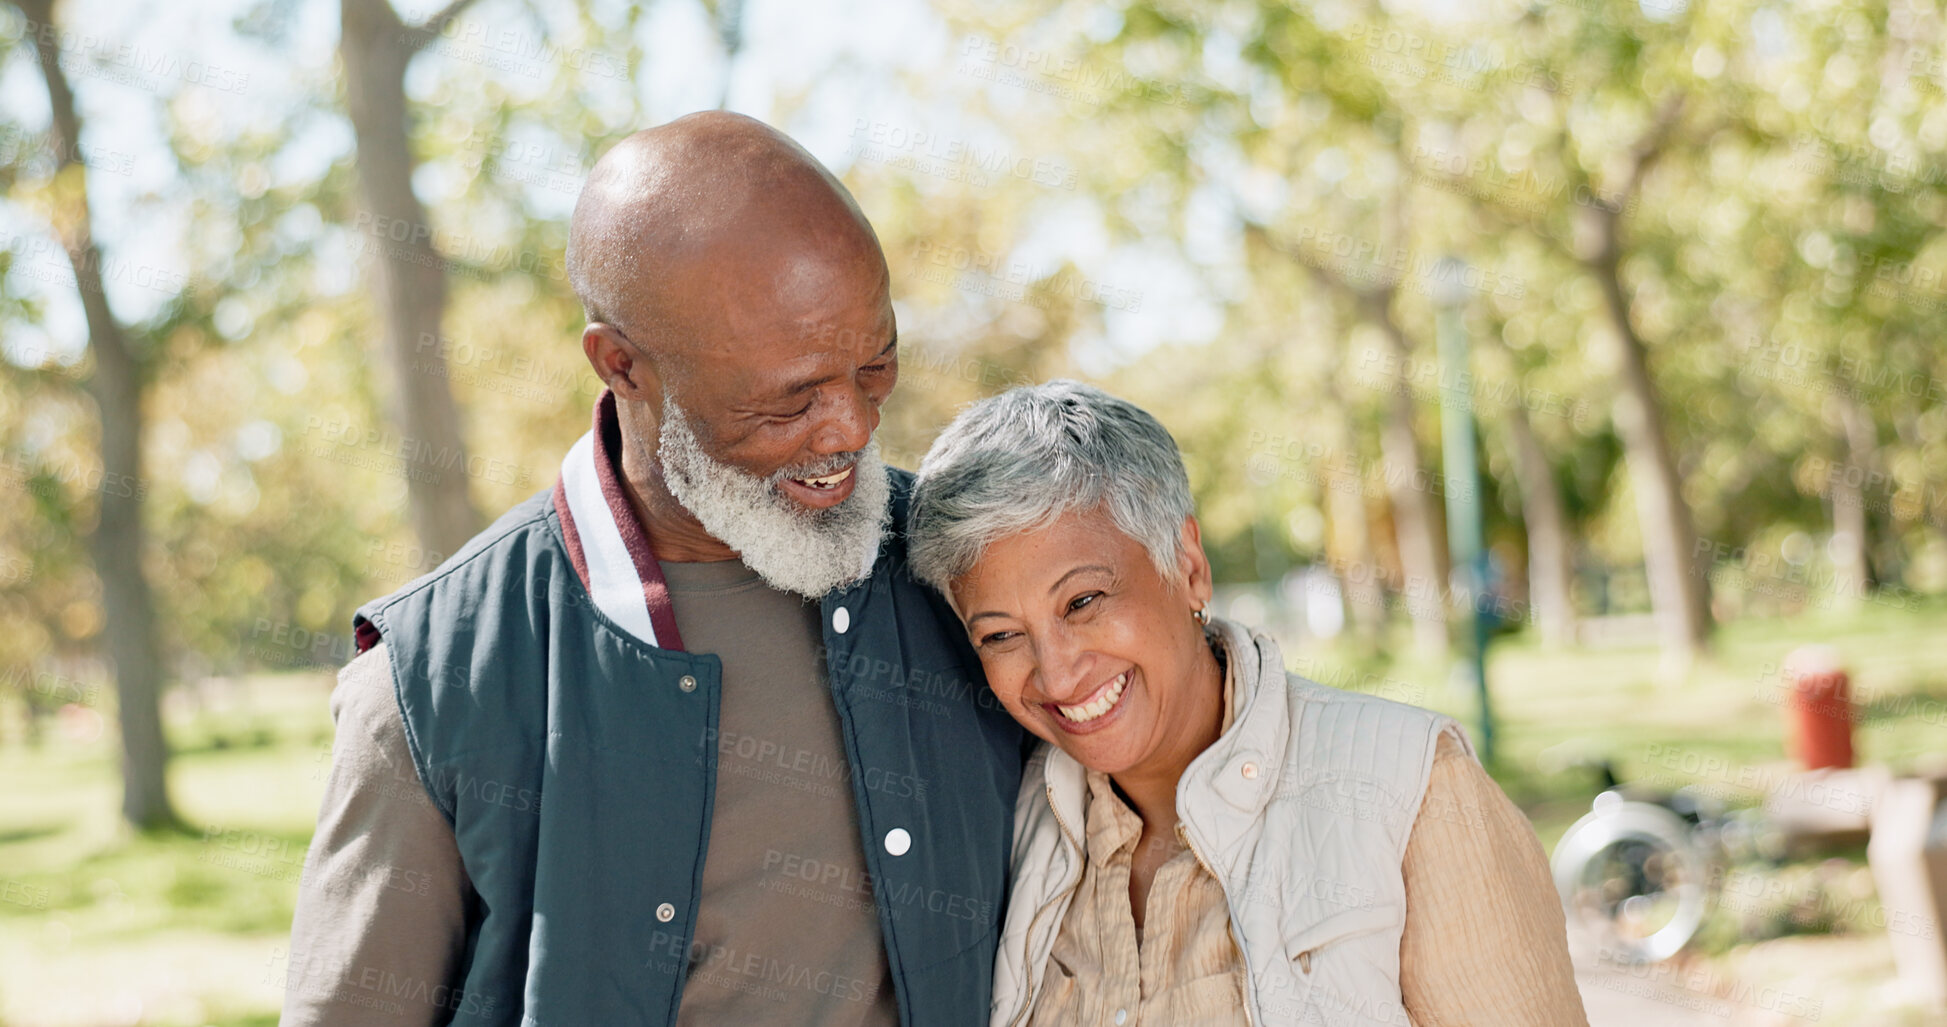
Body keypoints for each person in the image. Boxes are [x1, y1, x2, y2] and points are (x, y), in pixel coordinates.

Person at [279, 112, 1026, 1027]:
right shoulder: (431, 678)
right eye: (788, 401)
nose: (850, 429)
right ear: (621, 364)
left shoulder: (976, 563)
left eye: (875, 366)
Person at [907, 380, 1588, 1027]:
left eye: (1083, 601)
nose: (1055, 675)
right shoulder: (1010, 825)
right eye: (1001, 635)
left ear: (1189, 566)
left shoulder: (1413, 789)